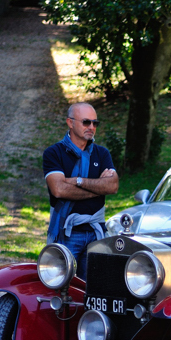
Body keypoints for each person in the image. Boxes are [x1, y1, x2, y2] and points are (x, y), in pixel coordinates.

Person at [43, 102, 118, 279]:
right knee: (59, 285)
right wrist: (98, 186)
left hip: (96, 232)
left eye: (95, 123)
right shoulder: (54, 153)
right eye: (86, 122)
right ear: (70, 123)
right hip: (67, 233)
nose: (91, 127)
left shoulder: (102, 153)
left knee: (95, 288)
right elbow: (59, 190)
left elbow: (112, 186)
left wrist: (77, 181)